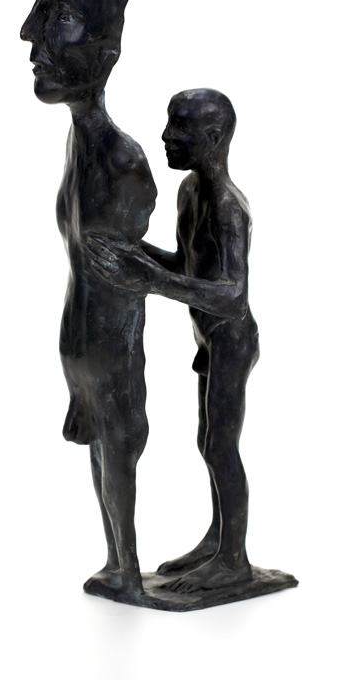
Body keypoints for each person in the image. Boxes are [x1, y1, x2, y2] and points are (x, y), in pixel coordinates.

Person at [21, 0, 158, 606]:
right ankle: (117, 563)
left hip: (110, 346)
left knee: (120, 447)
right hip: (82, 346)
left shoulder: (122, 160)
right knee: (102, 449)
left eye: (58, 13)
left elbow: (128, 267)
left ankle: (128, 570)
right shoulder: (80, 142)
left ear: (105, 43)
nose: (30, 34)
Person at [88, 88, 260, 593]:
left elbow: (231, 296)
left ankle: (234, 561)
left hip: (231, 340)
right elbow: (188, 268)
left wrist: (149, 278)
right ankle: (218, 540)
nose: (165, 136)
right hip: (209, 341)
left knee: (220, 445)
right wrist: (132, 253)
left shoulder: (228, 207)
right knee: (209, 442)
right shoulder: (190, 193)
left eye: (179, 128)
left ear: (213, 137)